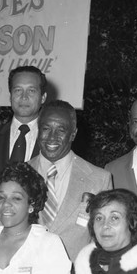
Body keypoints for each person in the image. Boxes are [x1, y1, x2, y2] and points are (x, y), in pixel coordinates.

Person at [29, 100, 112, 262]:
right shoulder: (17, 176)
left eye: (61, 130)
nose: (52, 137)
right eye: (46, 128)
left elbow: (105, 239)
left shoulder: (99, 179)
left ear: (73, 134)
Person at [0, 66, 48, 191]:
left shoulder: (52, 141)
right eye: (18, 90)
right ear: (10, 96)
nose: (24, 97)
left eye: (31, 91)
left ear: (43, 97)